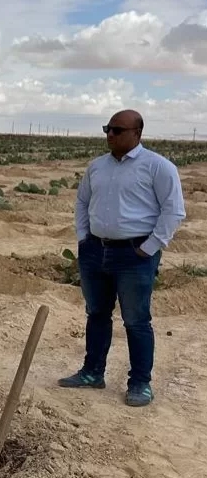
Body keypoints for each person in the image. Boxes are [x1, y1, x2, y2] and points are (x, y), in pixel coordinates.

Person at [58, 109, 186, 407]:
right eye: (108, 129)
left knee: (136, 320)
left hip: (134, 255)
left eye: (117, 130)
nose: (110, 135)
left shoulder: (158, 167)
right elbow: (82, 202)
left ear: (137, 133)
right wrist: (83, 237)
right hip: (95, 251)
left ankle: (140, 383)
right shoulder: (97, 167)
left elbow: (173, 210)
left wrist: (150, 247)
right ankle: (92, 373)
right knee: (97, 314)